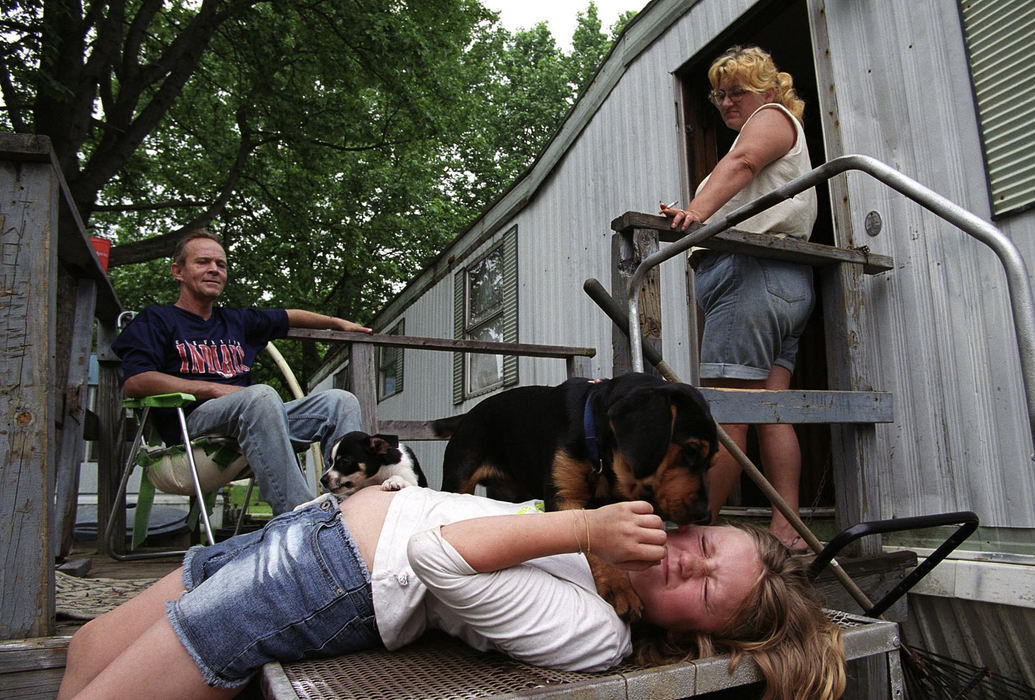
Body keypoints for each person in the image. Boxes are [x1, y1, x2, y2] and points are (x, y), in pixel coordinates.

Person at [58, 485, 846, 700]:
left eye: (708, 593)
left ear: (691, 633)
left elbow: (438, 556)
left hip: (321, 581)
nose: (686, 566)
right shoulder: (610, 545)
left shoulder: (597, 632)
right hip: (300, 532)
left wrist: (581, 529)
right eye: (706, 548)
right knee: (88, 648)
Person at [661, 46, 816, 551]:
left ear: (769, 93)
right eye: (719, 94)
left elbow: (744, 162)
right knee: (772, 407)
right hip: (784, 282)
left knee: (724, 413)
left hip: (752, 278)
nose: (726, 102)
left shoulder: (772, 119)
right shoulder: (770, 131)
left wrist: (690, 217)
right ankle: (786, 530)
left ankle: (695, 531)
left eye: (738, 92)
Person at [112, 229, 371, 514]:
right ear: (178, 271)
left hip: (256, 421)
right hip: (194, 427)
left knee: (340, 401)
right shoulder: (157, 319)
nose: (214, 269)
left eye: (220, 265)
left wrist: (337, 323)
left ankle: (352, 508)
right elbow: (136, 382)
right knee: (259, 396)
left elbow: (290, 316)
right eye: (203, 262)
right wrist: (209, 388)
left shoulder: (237, 320)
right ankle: (302, 517)